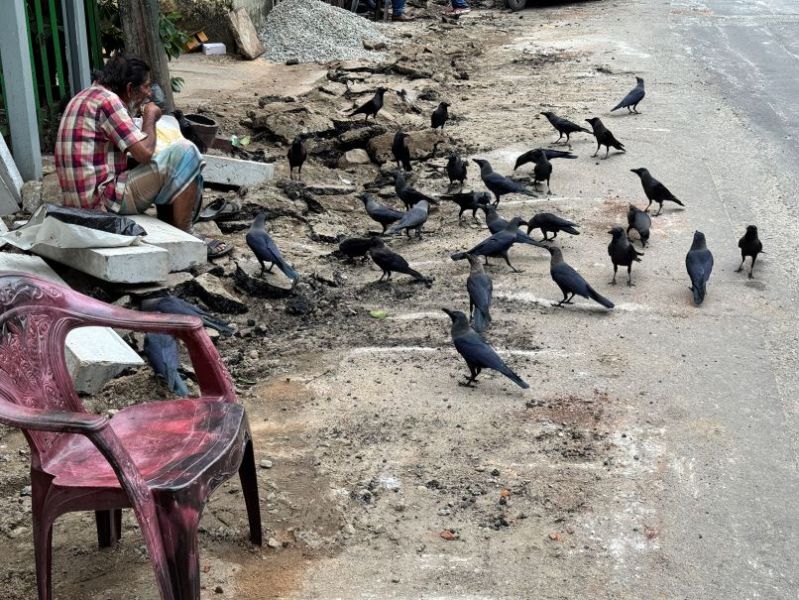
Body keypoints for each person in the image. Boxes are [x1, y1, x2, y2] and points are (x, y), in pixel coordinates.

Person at [54, 55, 230, 257]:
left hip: (78, 202)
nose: (149, 92)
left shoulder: (83, 96)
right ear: (130, 88)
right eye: (146, 86)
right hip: (101, 203)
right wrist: (150, 116)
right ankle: (188, 238)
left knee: (169, 162)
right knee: (186, 152)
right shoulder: (109, 101)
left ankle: (171, 225)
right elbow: (145, 154)